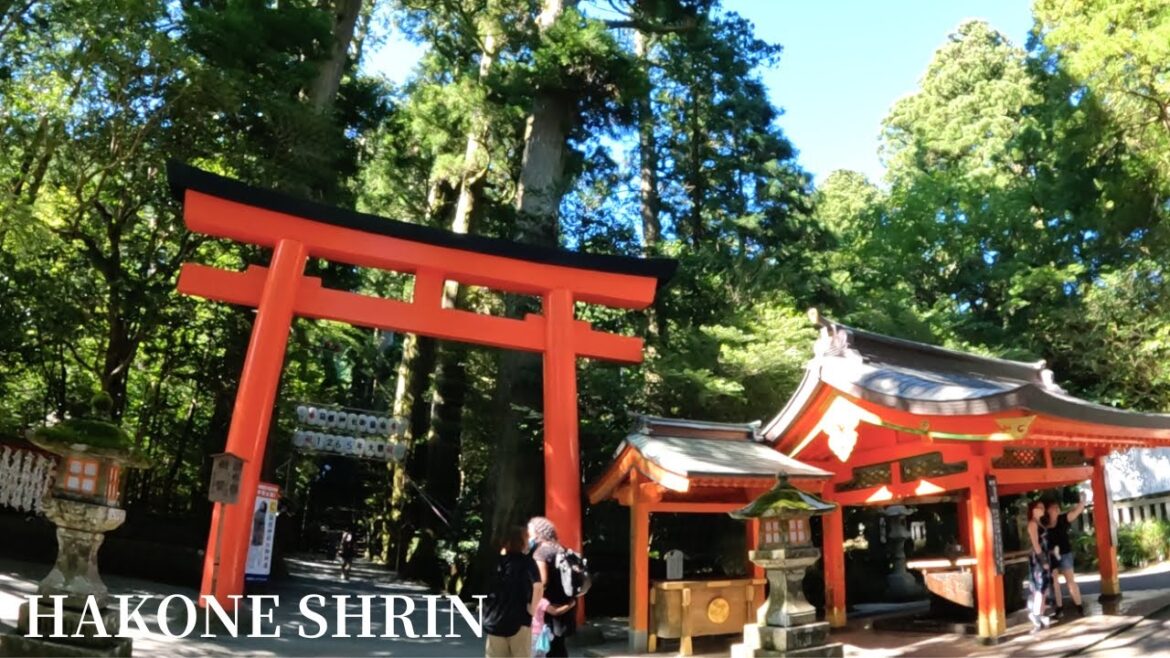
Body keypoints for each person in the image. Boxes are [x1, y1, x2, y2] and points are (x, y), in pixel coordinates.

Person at [484, 525, 542, 657]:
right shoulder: (527, 562)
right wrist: (532, 609)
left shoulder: (496, 562)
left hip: (495, 620)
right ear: (522, 541)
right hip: (519, 620)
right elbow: (538, 587)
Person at [527, 517, 576, 658]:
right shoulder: (561, 549)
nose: (528, 536)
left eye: (530, 532)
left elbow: (542, 581)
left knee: (547, 648)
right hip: (565, 602)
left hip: (548, 608)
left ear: (537, 533)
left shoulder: (541, 553)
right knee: (559, 648)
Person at [1045, 493, 1087, 615]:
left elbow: (1077, 512)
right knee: (1055, 583)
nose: (1057, 510)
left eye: (1057, 508)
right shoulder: (1044, 523)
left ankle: (1079, 606)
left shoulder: (1063, 519)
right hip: (1051, 555)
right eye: (1054, 508)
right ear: (1048, 510)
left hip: (1065, 553)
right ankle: (1059, 608)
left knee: (1070, 581)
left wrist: (1082, 501)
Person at [1026, 500, 1053, 632]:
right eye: (1039, 507)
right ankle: (1036, 614)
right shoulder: (1032, 524)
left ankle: (1040, 613)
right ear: (1033, 509)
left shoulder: (1040, 523)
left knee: (1044, 588)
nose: (1042, 510)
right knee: (1039, 587)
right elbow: (1036, 544)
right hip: (1038, 559)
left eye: (1043, 507)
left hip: (1044, 555)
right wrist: (1043, 561)